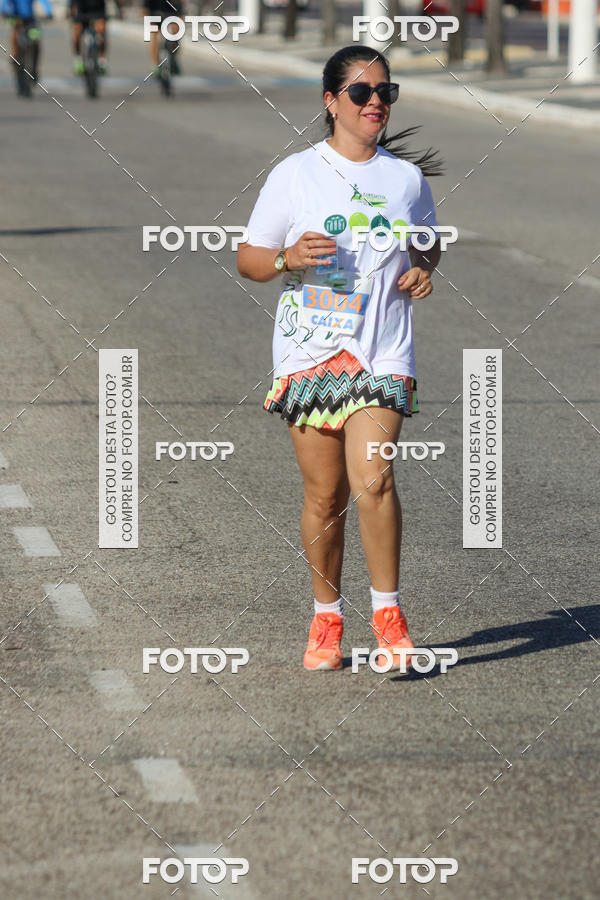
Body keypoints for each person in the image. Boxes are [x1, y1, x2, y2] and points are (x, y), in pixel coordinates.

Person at [237, 45, 444, 672]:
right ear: (332, 102)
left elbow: (427, 249)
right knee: (324, 496)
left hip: (382, 350)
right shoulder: (294, 175)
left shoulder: (405, 180)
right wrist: (287, 259)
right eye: (361, 93)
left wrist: (418, 271)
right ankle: (327, 616)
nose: (376, 102)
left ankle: (390, 620)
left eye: (386, 92)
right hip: (311, 352)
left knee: (374, 480)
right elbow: (251, 260)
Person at [1, 0, 53, 88]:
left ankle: (35, 67)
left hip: (30, 21)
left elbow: (44, 2)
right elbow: (5, 4)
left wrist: (49, 12)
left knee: (36, 39)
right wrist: (4, 12)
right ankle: (14, 56)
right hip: (16, 19)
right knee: (15, 35)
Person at [69, 0, 120, 76]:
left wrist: (118, 9)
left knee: (101, 31)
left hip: (98, 11)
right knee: (77, 32)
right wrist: (71, 9)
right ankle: (78, 59)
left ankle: (102, 61)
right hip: (81, 10)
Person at [140, 0, 184, 77]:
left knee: (177, 29)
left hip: (171, 13)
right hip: (155, 13)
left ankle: (174, 58)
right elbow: (144, 9)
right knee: (154, 34)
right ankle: (155, 65)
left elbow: (179, 8)